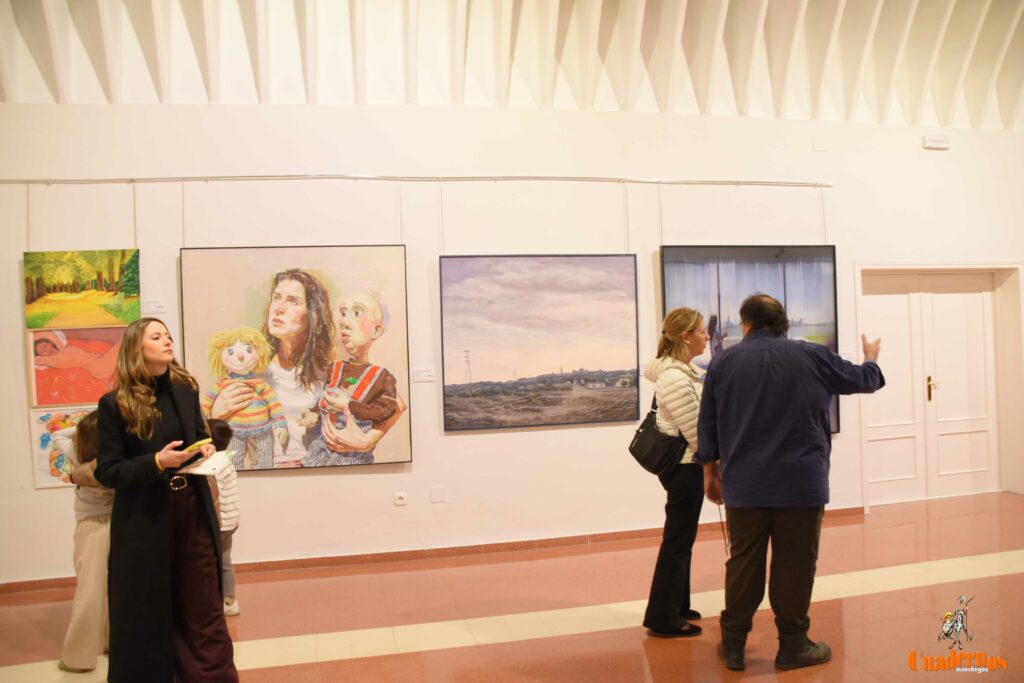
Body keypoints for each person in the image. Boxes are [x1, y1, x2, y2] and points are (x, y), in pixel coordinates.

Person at [696, 294, 884, 672]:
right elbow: (864, 381)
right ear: (783, 322)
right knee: (795, 564)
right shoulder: (811, 355)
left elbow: (708, 424)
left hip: (745, 484)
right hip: (801, 482)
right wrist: (871, 357)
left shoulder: (724, 362)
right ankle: (793, 646)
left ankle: (733, 645)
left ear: (745, 324)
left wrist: (709, 472)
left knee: (744, 563)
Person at [94, 317, 238, 683]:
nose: (167, 341)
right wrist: (157, 462)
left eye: (168, 335)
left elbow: (199, 433)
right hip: (145, 518)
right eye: (156, 337)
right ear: (135, 350)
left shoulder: (185, 388)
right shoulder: (115, 404)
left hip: (191, 507)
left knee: (204, 603)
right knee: (147, 609)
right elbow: (108, 471)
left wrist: (204, 446)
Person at [209, 269, 333, 467]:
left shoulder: (328, 374)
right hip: (262, 472)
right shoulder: (250, 368)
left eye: (293, 300)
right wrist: (215, 414)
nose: (279, 308)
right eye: (276, 298)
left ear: (312, 313)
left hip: (314, 472)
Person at [641, 307, 710, 639]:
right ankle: (663, 617)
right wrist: (715, 464)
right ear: (685, 337)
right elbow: (695, 429)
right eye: (701, 331)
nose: (707, 337)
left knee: (683, 538)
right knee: (677, 541)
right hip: (684, 467)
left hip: (688, 465)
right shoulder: (673, 376)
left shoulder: (685, 371)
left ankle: (677, 605)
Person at [300, 292, 400, 467]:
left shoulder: (383, 377)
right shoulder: (334, 368)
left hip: (352, 456)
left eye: (356, 313)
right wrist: (314, 413)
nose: (343, 322)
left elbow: (386, 411)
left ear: (376, 330)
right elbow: (325, 397)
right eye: (344, 313)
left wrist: (350, 406)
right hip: (322, 447)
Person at [54, 411, 113, 673]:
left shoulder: (76, 454)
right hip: (121, 522)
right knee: (120, 588)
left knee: (89, 592)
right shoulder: (113, 461)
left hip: (90, 525)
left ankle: (78, 659)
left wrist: (77, 432)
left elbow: (57, 434)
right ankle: (116, 643)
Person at [202, 326, 288, 470]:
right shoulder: (220, 385)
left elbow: (274, 404)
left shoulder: (260, 384)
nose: (241, 356)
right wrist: (203, 429)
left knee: (264, 464)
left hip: (262, 429)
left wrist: (280, 424)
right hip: (233, 431)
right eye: (230, 351)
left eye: (249, 350)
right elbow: (206, 405)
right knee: (234, 465)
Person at [207, 419, 241, 616]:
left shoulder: (214, 463)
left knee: (211, 562)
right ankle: (229, 601)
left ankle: (216, 600)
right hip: (230, 521)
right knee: (225, 561)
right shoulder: (225, 458)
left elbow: (213, 494)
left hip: (219, 522)